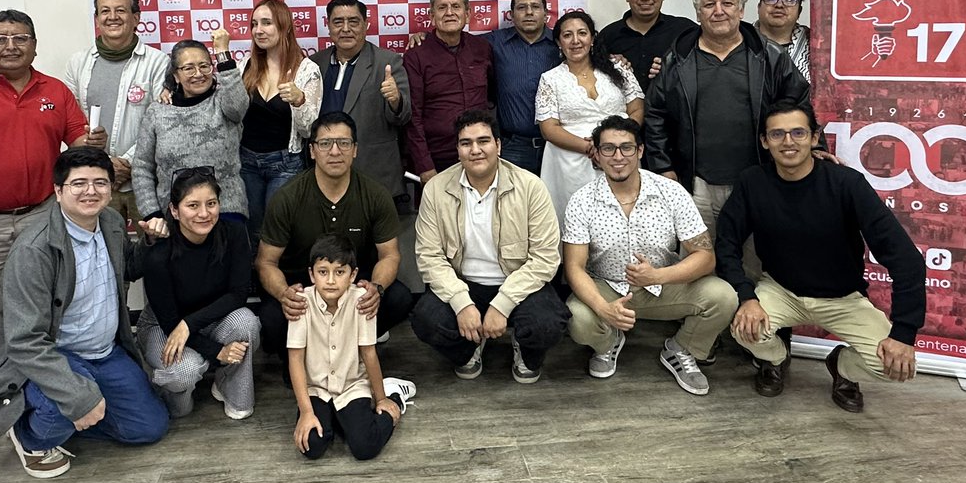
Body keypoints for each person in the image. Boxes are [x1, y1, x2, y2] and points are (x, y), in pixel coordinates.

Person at [0, 9, 104, 427]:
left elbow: (77, 143)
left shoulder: (55, 90)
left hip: (44, 215)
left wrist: (92, 143)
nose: (10, 46)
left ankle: (41, 375)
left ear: (34, 43)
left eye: (20, 37)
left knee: (47, 299)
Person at [715, 101, 926, 411]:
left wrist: (904, 333)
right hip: (780, 289)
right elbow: (726, 243)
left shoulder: (846, 184)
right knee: (744, 330)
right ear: (764, 141)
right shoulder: (753, 182)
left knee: (894, 367)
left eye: (798, 132)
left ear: (814, 138)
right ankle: (777, 358)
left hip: (842, 298)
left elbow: (906, 259)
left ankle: (840, 366)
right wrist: (748, 297)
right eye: (777, 134)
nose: (788, 142)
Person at [0, 147, 169, 479]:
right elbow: (24, 342)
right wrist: (76, 397)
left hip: (104, 353)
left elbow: (128, 268)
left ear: (111, 188)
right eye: (79, 183)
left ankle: (81, 410)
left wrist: (149, 243)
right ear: (58, 191)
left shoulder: (109, 221)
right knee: (65, 406)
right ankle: (28, 434)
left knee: (149, 427)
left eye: (100, 182)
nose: (91, 191)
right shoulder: (34, 250)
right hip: (55, 353)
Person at [563, 115, 737, 395]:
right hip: (607, 288)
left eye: (626, 148)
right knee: (577, 317)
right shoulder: (582, 201)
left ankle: (681, 349)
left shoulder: (671, 192)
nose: (618, 156)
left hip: (665, 287)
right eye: (608, 148)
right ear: (596, 154)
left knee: (723, 296)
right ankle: (608, 343)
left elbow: (705, 257)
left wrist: (658, 275)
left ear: (640, 151)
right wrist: (602, 307)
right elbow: (574, 267)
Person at [643, 0, 816, 239]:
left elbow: (799, 104)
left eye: (727, 3)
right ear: (698, 13)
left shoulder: (770, 57)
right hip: (695, 185)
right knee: (701, 264)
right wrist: (664, 168)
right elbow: (655, 115)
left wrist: (816, 148)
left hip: (757, 179)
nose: (718, 11)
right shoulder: (677, 59)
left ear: (742, 10)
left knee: (754, 263)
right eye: (709, 4)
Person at [410, 110, 569, 384]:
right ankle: (469, 347)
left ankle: (526, 350)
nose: (475, 150)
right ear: (457, 149)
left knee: (548, 323)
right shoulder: (436, 189)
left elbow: (545, 259)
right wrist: (461, 303)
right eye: (466, 143)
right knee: (426, 320)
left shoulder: (531, 187)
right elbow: (429, 257)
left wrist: (503, 304)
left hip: (518, 282)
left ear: (498, 145)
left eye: (483, 141)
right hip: (464, 282)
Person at [257, 111, 414, 362]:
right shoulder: (288, 197)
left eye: (344, 143)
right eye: (325, 143)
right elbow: (265, 262)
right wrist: (284, 293)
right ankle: (304, 355)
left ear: (355, 150)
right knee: (271, 318)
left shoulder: (375, 194)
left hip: (352, 283)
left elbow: (389, 254)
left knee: (398, 298)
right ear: (312, 151)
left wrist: (376, 288)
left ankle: (352, 349)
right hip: (303, 286)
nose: (334, 151)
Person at [137, 168, 260, 420]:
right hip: (163, 325)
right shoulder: (160, 251)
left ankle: (229, 386)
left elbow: (238, 293)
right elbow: (171, 322)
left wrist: (189, 324)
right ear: (174, 210)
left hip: (207, 319)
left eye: (211, 204)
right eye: (193, 205)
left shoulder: (234, 233)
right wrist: (218, 352)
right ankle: (173, 392)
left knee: (246, 322)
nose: (204, 213)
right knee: (184, 376)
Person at [288, 235, 415, 461]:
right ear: (311, 274)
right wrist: (306, 412)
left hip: (351, 385)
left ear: (353, 275)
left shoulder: (361, 300)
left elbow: (369, 353)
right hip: (316, 388)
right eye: (323, 271)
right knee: (312, 446)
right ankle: (336, 417)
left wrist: (383, 399)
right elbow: (296, 359)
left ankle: (394, 394)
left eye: (340, 272)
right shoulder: (301, 302)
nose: (330, 280)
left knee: (364, 447)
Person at [64, 0, 172, 226]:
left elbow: (162, 123)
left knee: (152, 254)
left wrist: (126, 164)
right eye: (105, 11)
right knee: (102, 255)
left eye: (120, 11)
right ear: (97, 19)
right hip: (95, 181)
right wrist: (105, 166)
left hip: (145, 180)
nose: (112, 17)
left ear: (136, 18)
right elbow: (72, 121)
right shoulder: (77, 63)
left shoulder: (158, 62)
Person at [536, 10, 644, 225]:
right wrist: (592, 149)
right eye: (567, 35)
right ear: (558, 42)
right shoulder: (550, 79)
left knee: (623, 218)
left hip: (621, 157)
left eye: (582, 33)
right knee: (577, 221)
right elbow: (548, 128)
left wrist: (618, 145)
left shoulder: (618, 68)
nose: (576, 41)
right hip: (571, 165)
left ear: (592, 38)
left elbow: (637, 108)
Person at [133, 33, 249, 225]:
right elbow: (142, 168)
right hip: (174, 217)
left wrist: (222, 54)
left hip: (227, 212)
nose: (198, 73)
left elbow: (238, 106)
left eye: (204, 66)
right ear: (176, 76)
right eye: (188, 68)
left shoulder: (223, 101)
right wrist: (152, 214)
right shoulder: (157, 112)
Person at [312, 0, 412, 203]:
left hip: (373, 175)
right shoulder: (314, 63)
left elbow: (403, 117)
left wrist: (395, 100)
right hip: (324, 174)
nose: (346, 28)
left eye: (354, 21)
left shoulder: (387, 62)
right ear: (328, 26)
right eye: (338, 22)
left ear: (366, 25)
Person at [238, 0, 322, 246]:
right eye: (254, 24)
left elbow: (309, 129)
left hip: (286, 163)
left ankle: (280, 284)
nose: (258, 30)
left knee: (278, 232)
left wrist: (300, 101)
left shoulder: (307, 70)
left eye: (267, 23)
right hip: (246, 162)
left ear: (284, 27)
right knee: (251, 230)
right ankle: (253, 285)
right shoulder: (246, 65)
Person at [403, 0, 494, 182]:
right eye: (442, 7)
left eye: (456, 6)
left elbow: (493, 98)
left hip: (481, 152)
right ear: (431, 16)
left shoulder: (482, 48)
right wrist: (424, 166)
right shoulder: (416, 55)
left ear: (468, 14)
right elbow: (413, 116)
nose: (449, 13)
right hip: (438, 157)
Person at [485, 0, 560, 174]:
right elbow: (458, 41)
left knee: (557, 202)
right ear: (511, 14)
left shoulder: (562, 42)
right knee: (514, 202)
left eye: (535, 6)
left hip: (558, 146)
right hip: (513, 146)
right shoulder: (495, 42)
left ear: (545, 13)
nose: (529, 12)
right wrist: (425, 37)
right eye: (521, 7)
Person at [599, 0, 698, 92]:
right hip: (624, 111)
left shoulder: (686, 31)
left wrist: (675, 67)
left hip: (674, 111)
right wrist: (610, 64)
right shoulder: (608, 36)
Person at [753, 0, 811, 82]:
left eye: (789, 0)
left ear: (799, 11)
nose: (779, 5)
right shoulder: (740, 38)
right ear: (758, 7)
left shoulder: (816, 45)